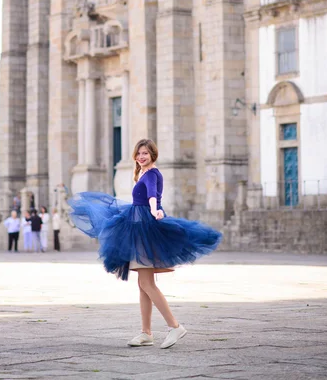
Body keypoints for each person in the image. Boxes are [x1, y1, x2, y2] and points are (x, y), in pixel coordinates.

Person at [69, 138, 222, 349]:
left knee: (147, 283)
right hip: (137, 224)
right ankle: (146, 333)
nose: (142, 157)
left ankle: (174, 326)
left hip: (144, 226)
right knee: (143, 284)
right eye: (139, 153)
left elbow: (152, 195)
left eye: (146, 154)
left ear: (153, 155)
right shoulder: (143, 172)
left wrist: (154, 210)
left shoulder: (151, 173)